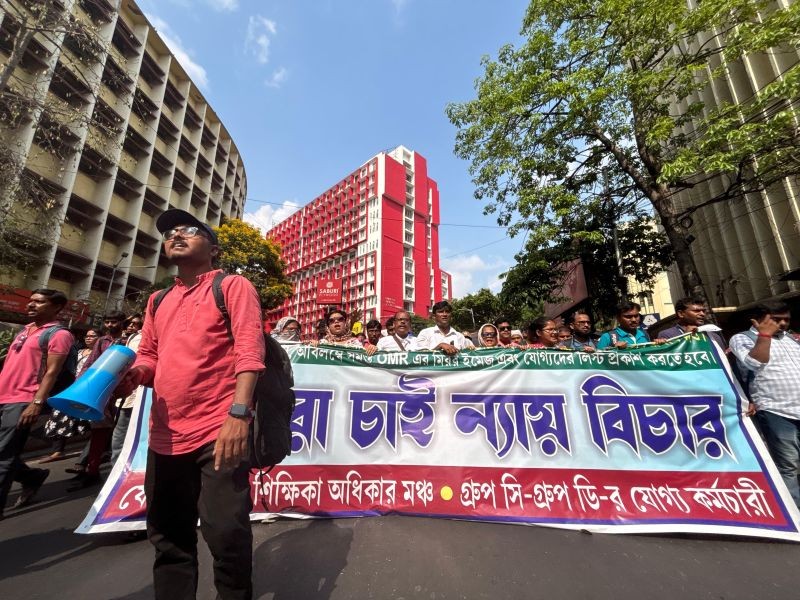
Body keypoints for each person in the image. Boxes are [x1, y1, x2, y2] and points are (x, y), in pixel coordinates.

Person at [114, 208, 265, 599]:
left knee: (226, 533)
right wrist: (136, 374)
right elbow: (149, 355)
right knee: (168, 536)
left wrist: (238, 415)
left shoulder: (233, 287)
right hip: (164, 436)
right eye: (170, 234)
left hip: (219, 431)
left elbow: (250, 353)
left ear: (213, 249)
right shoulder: (158, 300)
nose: (176, 236)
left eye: (189, 230)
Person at [0, 289, 74, 517]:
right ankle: (33, 476)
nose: (31, 305)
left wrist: (37, 402)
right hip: (3, 395)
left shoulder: (59, 334)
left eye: (39, 302)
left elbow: (52, 372)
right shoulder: (26, 329)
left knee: (4, 455)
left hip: (24, 399)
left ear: (57, 307)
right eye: (31, 301)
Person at [730, 302, 800, 508]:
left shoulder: (790, 339)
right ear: (759, 319)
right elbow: (754, 363)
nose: (783, 324)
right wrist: (765, 336)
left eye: (786, 319)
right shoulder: (742, 338)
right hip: (776, 410)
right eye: (776, 319)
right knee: (788, 465)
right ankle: (794, 512)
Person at [68, 310, 127, 490]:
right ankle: (92, 470)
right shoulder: (102, 341)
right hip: (104, 391)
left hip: (125, 392)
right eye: (107, 321)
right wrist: (79, 385)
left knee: (120, 434)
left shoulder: (129, 340)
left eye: (113, 322)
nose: (110, 325)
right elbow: (91, 363)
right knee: (99, 432)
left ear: (122, 322)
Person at [40, 328, 98, 463]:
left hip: (87, 392)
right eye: (87, 336)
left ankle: (95, 452)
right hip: (70, 389)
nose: (88, 338)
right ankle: (57, 450)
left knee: (89, 422)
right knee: (58, 416)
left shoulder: (101, 356)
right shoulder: (77, 352)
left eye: (92, 336)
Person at [110, 319, 143, 466]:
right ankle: (117, 469)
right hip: (129, 395)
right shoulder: (133, 337)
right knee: (121, 432)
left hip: (148, 396)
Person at [659, 297, 726, 347]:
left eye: (703, 311)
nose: (702, 314)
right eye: (696, 311)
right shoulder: (667, 335)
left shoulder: (714, 336)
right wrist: (685, 337)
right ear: (681, 314)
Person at [597, 301, 666, 349]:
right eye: (628, 317)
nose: (633, 320)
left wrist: (659, 345)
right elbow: (598, 361)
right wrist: (614, 350)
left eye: (636, 316)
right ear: (618, 318)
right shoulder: (607, 337)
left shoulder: (644, 334)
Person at [313, 309, 377, 354]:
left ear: (345, 323)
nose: (336, 321)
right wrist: (311, 346)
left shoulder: (356, 343)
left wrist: (372, 349)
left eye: (340, 319)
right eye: (331, 320)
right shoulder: (322, 344)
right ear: (328, 326)